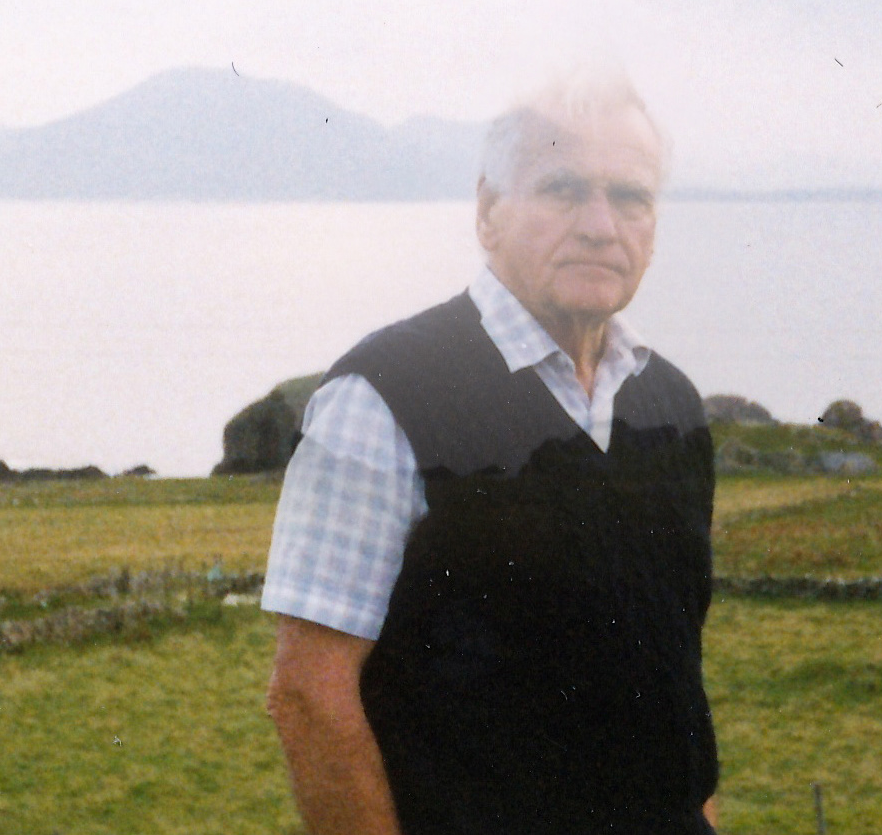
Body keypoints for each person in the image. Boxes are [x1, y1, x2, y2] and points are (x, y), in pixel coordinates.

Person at [262, 72, 719, 835]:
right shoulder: (383, 398)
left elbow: (675, 688)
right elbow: (309, 695)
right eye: (562, 190)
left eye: (630, 197)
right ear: (487, 211)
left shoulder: (670, 406)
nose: (600, 226)